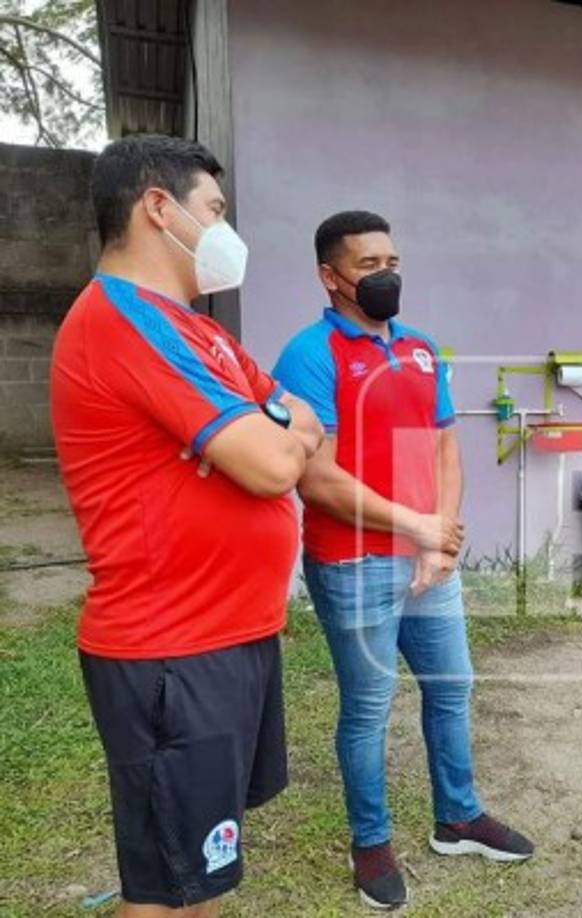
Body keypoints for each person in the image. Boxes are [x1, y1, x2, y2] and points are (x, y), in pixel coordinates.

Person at [50, 134, 324, 917]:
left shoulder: (197, 330)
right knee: (170, 890)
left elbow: (300, 425)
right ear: (158, 208)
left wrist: (277, 434)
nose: (225, 231)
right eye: (215, 210)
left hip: (228, 637)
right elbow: (276, 462)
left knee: (199, 869)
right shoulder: (121, 322)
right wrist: (275, 437)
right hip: (173, 650)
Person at [273, 210, 534, 910]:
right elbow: (316, 476)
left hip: (427, 564)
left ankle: (458, 817)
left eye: (393, 261)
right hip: (354, 563)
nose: (387, 275)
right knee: (368, 707)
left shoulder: (420, 348)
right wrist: (419, 526)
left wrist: (440, 535)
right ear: (331, 277)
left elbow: (446, 445)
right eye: (369, 265)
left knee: (452, 688)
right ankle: (372, 843)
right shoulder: (309, 355)